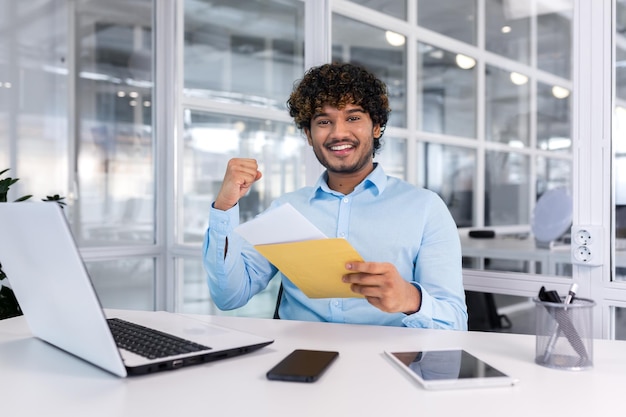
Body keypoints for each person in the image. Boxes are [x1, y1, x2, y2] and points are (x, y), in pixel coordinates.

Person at [203, 62, 467, 330]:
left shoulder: (425, 208)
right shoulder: (287, 209)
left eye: (353, 118)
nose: (339, 133)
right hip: (298, 360)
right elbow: (230, 297)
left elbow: (455, 322)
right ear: (309, 135)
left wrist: (410, 298)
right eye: (324, 122)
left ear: (377, 127)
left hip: (388, 363)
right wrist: (225, 206)